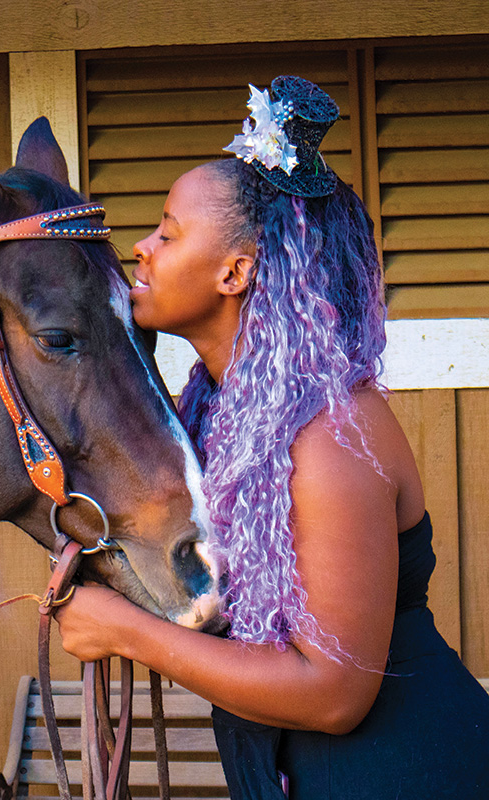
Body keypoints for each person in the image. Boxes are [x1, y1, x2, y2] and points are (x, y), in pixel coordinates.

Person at [53, 75, 489, 798]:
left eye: (168, 230)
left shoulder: (328, 435)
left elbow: (333, 695)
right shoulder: (220, 410)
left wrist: (126, 633)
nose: (141, 248)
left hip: (403, 774)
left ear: (236, 271)